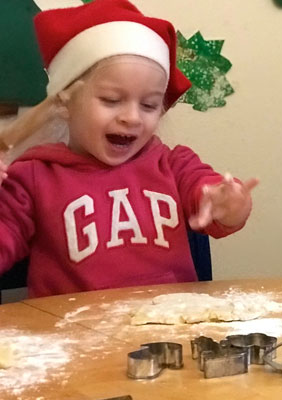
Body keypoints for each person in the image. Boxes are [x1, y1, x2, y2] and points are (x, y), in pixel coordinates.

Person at [0, 0, 257, 297]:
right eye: (111, 100)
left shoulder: (174, 165)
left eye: (149, 105)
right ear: (64, 103)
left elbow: (211, 197)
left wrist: (229, 205)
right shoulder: (32, 178)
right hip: (75, 337)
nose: (132, 117)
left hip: (166, 336)